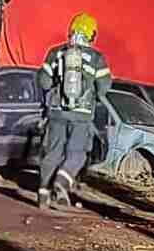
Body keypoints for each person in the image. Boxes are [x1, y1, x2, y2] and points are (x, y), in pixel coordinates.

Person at [37, 12, 112, 210]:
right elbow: (104, 88)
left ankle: (43, 193)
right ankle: (62, 182)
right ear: (92, 35)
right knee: (77, 153)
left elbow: (43, 82)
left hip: (56, 113)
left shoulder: (55, 52)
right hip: (82, 114)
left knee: (52, 152)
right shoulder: (97, 58)